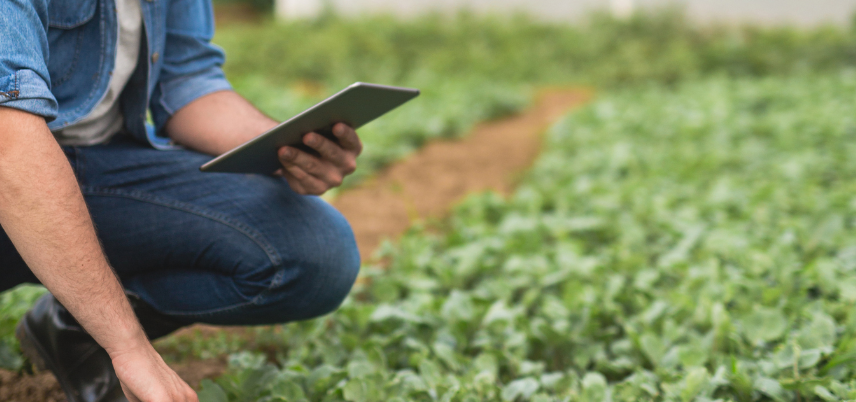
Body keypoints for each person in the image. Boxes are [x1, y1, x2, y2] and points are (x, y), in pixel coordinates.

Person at [0, 0, 362, 400]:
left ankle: (73, 329)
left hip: (98, 167)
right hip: (14, 163)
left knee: (317, 250)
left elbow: (186, 77)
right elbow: (10, 143)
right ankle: (104, 328)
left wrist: (287, 148)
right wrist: (127, 346)